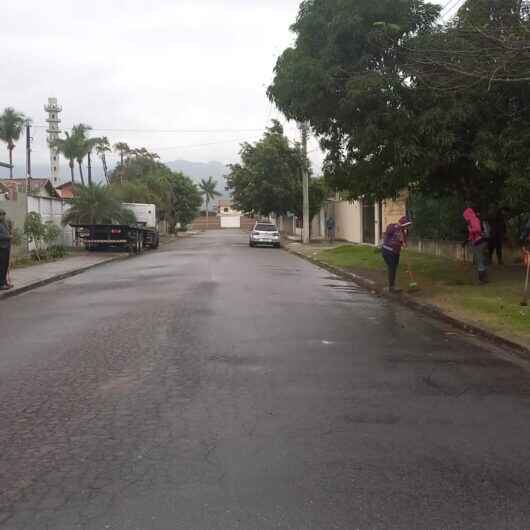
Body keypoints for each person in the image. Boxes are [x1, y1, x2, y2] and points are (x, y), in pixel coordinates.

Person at [381, 216, 412, 293]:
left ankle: (392, 285)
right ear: (403, 224)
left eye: (408, 226)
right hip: (387, 251)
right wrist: (397, 227)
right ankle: (391, 287)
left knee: (394, 267)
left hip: (395, 252)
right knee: (392, 267)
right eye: (407, 225)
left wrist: (404, 243)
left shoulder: (403, 233)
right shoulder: (392, 226)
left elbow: (404, 243)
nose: (407, 227)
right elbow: (387, 232)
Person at [463, 206, 488, 284]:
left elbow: (477, 229)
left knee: (479, 259)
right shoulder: (470, 222)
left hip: (480, 241)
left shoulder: (474, 220)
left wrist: (471, 230)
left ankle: (482, 278)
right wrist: (466, 241)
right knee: (480, 259)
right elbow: (471, 235)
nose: (465, 219)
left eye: (465, 216)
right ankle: (483, 277)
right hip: (477, 241)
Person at [0, 209, 12, 290]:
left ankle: (5, 282)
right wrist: (8, 237)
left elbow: (6, 232)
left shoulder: (3, 224)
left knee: (5, 266)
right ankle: (1, 284)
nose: (3, 216)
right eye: (2, 215)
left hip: (6, 247)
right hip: (1, 248)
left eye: (4, 215)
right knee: (2, 267)